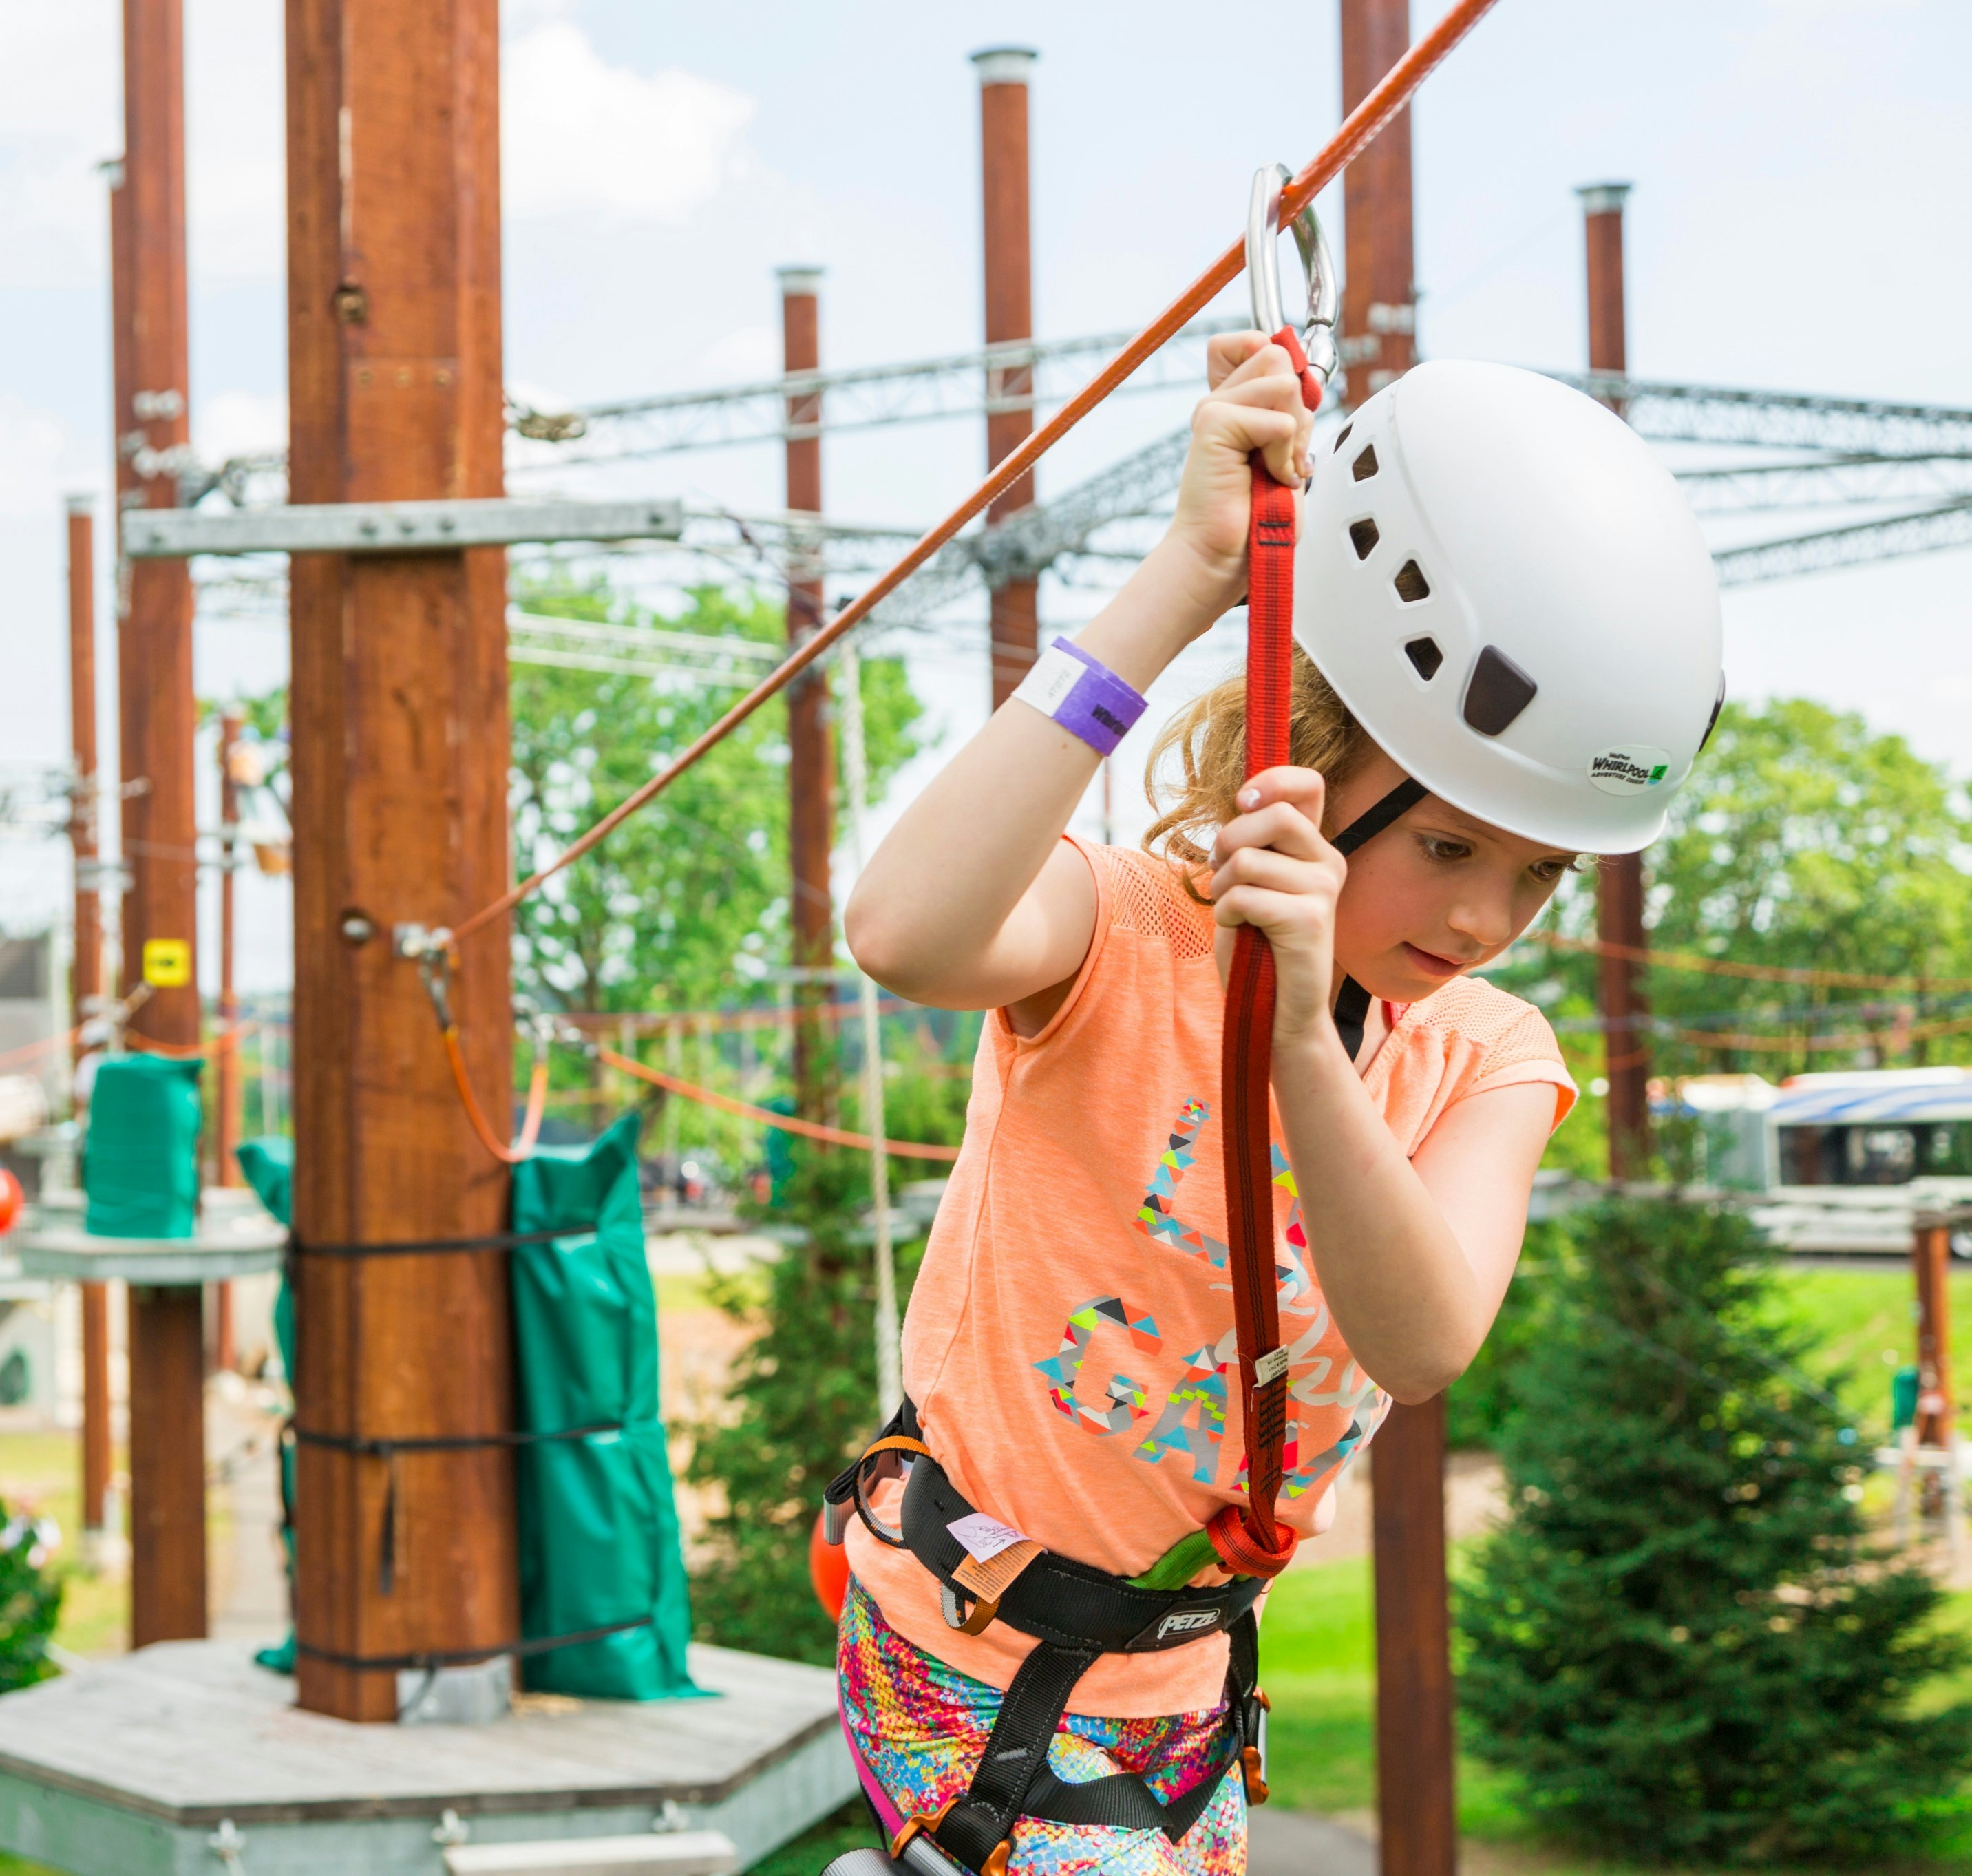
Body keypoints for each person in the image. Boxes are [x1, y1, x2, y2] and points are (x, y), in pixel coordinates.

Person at [830, 334, 1723, 1876]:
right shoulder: (1122, 933)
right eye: (1444, 848)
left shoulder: (1485, 1055)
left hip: (1181, 1685)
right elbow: (903, 931)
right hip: (962, 1645)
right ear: (1311, 761)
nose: (1484, 917)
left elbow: (1423, 1335)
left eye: (1534, 874)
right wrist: (1183, 580)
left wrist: (1305, 1038)